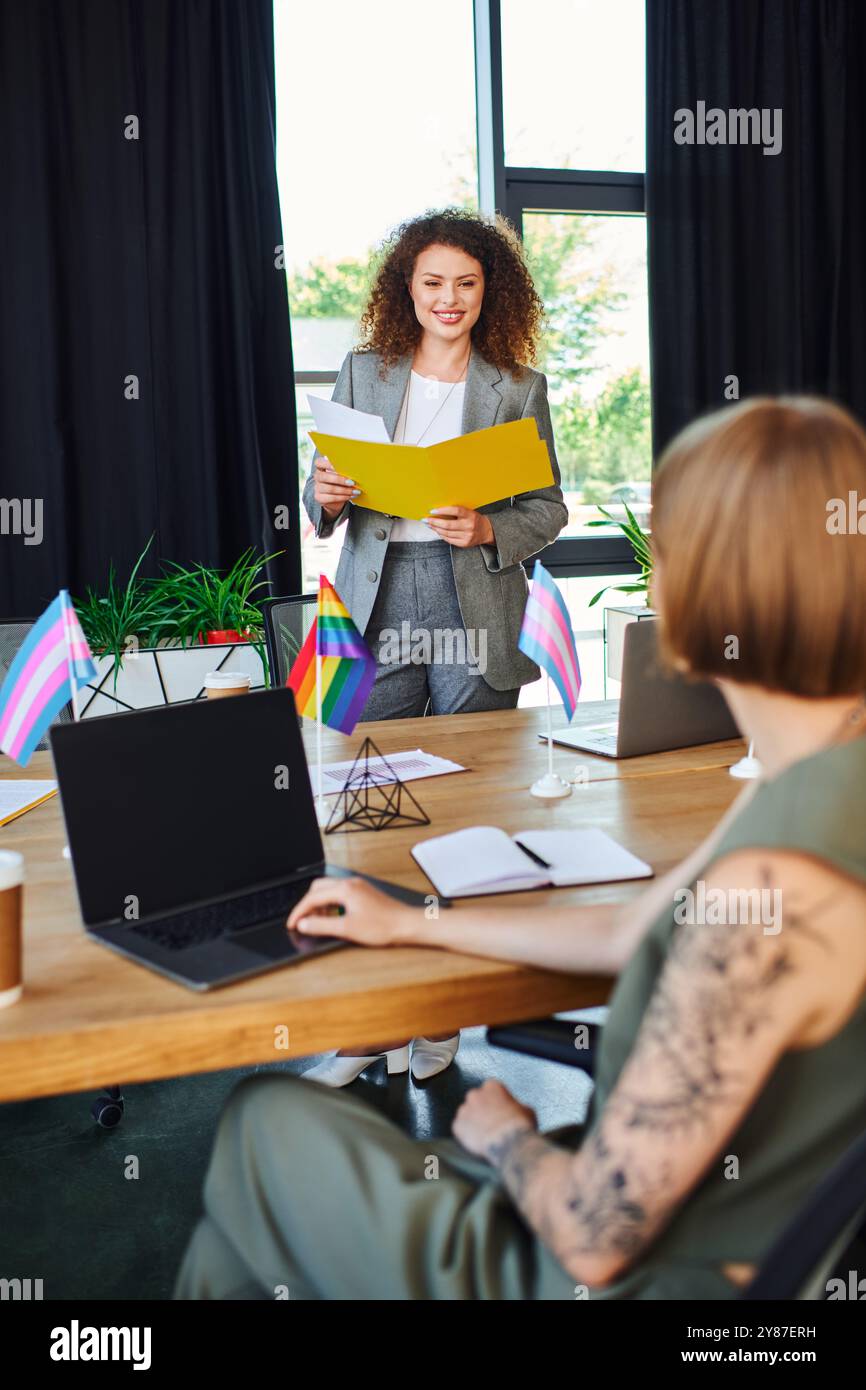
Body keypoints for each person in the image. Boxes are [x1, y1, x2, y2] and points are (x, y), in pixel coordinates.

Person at [177, 396, 866, 1300]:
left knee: (266, 1118)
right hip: (727, 1243)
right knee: (242, 1246)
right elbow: (630, 936)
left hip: (628, 1273)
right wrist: (416, 921)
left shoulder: (783, 872)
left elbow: (593, 1237)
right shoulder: (813, 774)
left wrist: (502, 1131)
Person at [301, 207, 567, 1086]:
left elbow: (548, 509)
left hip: (474, 598)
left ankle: (441, 1019)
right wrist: (328, 494)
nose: (448, 299)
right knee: (369, 805)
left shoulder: (517, 386)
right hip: (378, 600)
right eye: (431, 283)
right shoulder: (364, 372)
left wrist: (487, 524)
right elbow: (322, 497)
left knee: (460, 813)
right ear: (405, 291)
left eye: (466, 283)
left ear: (489, 291)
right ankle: (370, 1024)